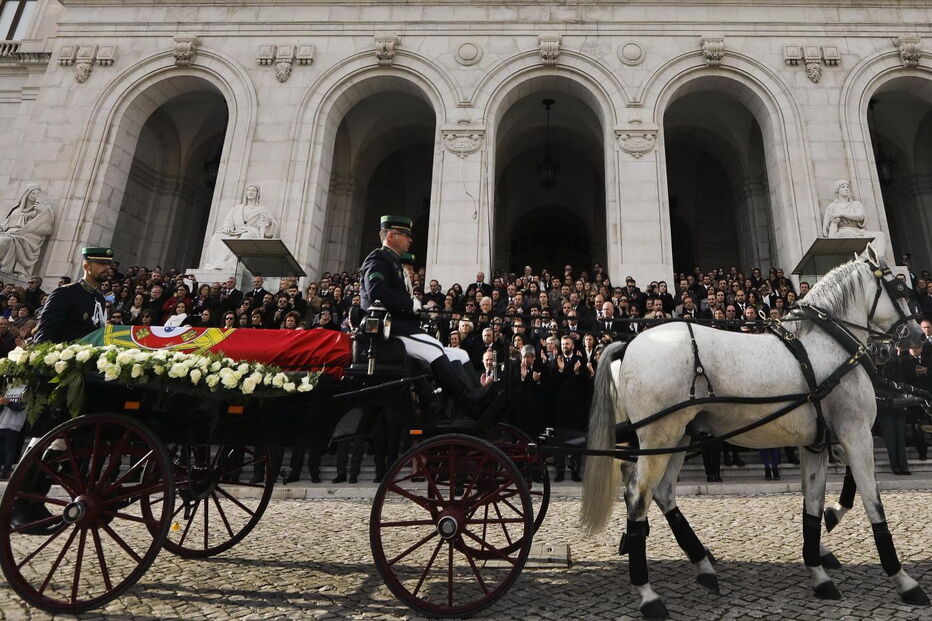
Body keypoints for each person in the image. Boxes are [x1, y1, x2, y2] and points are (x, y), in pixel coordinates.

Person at [359, 215, 490, 414]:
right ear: (391, 236)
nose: (410, 240)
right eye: (405, 235)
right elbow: (376, 291)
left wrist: (420, 311)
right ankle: (467, 399)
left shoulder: (392, 261)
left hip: (401, 327)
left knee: (460, 354)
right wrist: (410, 304)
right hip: (388, 330)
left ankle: (476, 395)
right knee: (434, 349)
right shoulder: (378, 259)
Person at [33, 247, 110, 343]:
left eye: (108, 264)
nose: (107, 268)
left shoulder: (100, 298)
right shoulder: (65, 293)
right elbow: (46, 331)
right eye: (101, 264)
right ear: (86, 266)